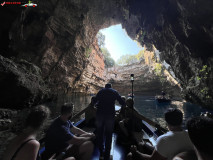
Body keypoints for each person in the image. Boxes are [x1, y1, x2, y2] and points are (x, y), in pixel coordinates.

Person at [127, 108, 194, 160]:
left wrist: (136, 152)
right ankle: (143, 144)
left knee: (130, 155)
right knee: (143, 144)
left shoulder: (164, 139)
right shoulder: (191, 134)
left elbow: (152, 159)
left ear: (166, 122)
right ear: (181, 120)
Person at [93, 83, 125, 160]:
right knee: (109, 134)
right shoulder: (114, 91)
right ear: (111, 87)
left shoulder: (100, 91)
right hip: (110, 115)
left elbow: (94, 101)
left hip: (100, 114)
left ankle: (101, 151)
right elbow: (121, 102)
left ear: (105, 87)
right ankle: (107, 153)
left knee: (100, 133)